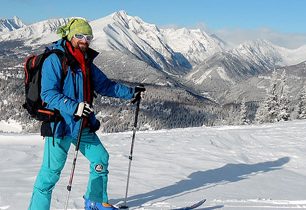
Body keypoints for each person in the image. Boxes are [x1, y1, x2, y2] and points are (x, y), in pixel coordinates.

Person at [28, 18, 145, 210]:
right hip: (60, 126)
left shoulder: (86, 62)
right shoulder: (55, 59)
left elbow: (106, 85)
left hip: (81, 125)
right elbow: (48, 93)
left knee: (100, 158)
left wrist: (131, 93)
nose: (85, 40)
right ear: (70, 36)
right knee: (50, 175)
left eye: (88, 37)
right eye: (80, 36)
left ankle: (95, 201)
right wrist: (74, 107)